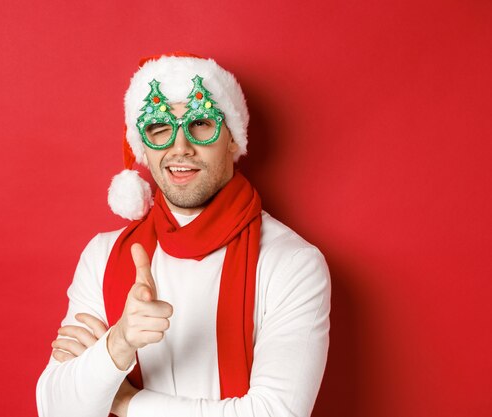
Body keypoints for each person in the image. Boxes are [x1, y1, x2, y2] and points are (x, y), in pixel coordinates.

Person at [36, 53, 331, 417]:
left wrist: (125, 401)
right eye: (160, 128)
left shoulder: (291, 263)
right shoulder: (103, 255)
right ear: (143, 146)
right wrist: (118, 343)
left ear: (234, 140)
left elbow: (275, 414)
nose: (180, 148)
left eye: (201, 123)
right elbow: (54, 408)